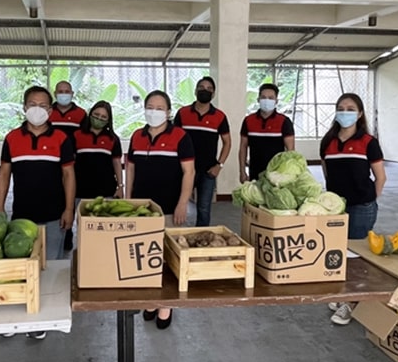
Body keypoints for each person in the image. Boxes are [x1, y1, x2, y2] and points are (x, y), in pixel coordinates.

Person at [0, 86, 76, 340]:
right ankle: (16, 316)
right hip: (22, 214)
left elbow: (68, 175)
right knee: (19, 264)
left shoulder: (61, 139)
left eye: (43, 105)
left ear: (51, 110)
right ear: (23, 107)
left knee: (49, 265)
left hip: (53, 214)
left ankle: (40, 319)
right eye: (32, 104)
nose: (37, 109)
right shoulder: (11, 138)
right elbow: (4, 175)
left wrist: (69, 208)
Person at [126, 90, 195, 329]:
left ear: (168, 112)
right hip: (142, 209)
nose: (154, 112)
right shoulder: (137, 136)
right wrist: (128, 200)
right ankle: (151, 302)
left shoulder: (180, 136)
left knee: (168, 259)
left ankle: (166, 305)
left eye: (159, 108)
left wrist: (182, 203)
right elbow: (131, 168)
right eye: (150, 107)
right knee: (144, 256)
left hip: (169, 208)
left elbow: (189, 172)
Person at [320, 93, 387, 326]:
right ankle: (345, 296)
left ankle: (351, 303)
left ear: (359, 114)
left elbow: (380, 177)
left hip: (361, 207)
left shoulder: (368, 142)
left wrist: (369, 199)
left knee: (356, 260)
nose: (344, 112)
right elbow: (327, 171)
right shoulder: (328, 141)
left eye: (350, 108)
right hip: (337, 208)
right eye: (340, 108)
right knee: (338, 255)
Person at [173, 77, 231, 227]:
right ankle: (179, 237)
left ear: (213, 94)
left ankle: (201, 240)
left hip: (208, 171)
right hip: (184, 170)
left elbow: (227, 142)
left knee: (204, 209)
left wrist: (219, 165)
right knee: (181, 204)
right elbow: (174, 138)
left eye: (209, 88)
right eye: (201, 87)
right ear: (195, 90)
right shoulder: (182, 113)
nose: (205, 90)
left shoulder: (220, 116)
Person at [49, 80, 88, 251]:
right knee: (54, 194)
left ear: (72, 94)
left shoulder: (81, 114)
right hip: (50, 162)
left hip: (73, 163)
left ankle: (67, 233)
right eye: (60, 91)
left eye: (67, 91)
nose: (63, 94)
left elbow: (85, 136)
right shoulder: (47, 112)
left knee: (70, 195)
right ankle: (56, 230)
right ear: (55, 93)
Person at [239, 83, 296, 183]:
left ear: (276, 101)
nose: (267, 100)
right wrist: (242, 171)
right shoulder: (248, 120)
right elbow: (243, 148)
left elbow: (290, 151)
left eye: (271, 98)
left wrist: (288, 174)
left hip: (277, 175)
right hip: (255, 173)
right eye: (263, 97)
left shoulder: (284, 121)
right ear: (258, 99)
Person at [74, 101, 124, 202]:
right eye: (96, 115)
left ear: (108, 120)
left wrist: (120, 187)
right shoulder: (76, 135)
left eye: (103, 117)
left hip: (106, 192)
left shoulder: (113, 139)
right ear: (90, 114)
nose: (99, 118)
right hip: (80, 192)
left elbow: (117, 163)